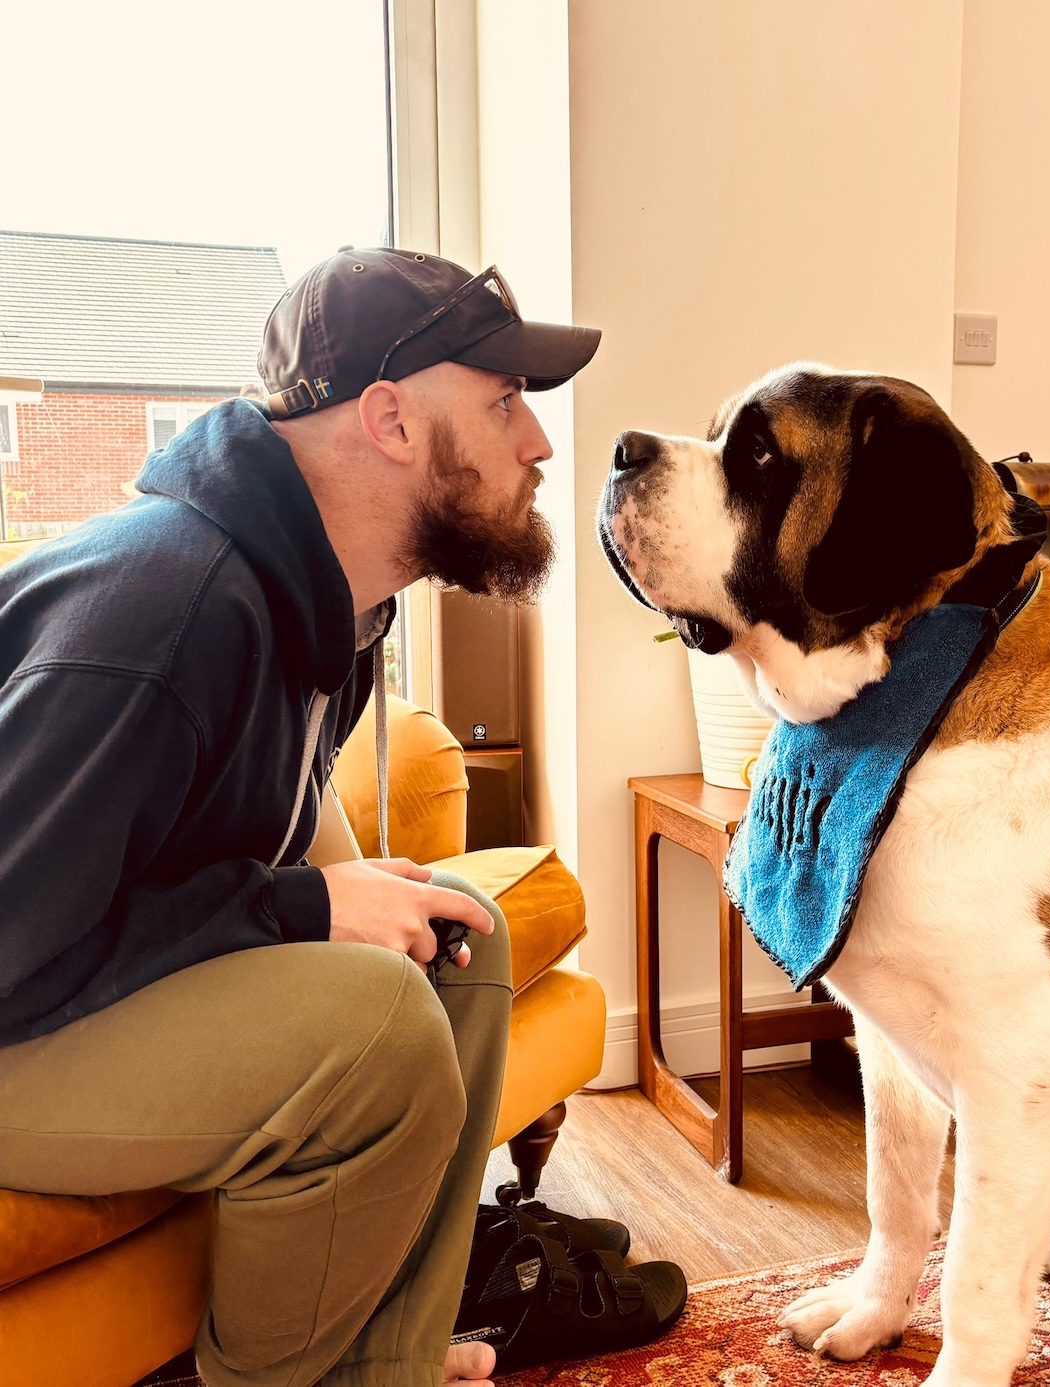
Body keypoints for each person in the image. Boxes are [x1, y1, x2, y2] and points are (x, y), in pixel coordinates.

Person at [0, 248, 600, 1387]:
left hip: (73, 985)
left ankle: (391, 1362)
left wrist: (361, 899)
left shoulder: (326, 607)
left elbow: (279, 827)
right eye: (505, 402)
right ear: (389, 419)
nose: (538, 444)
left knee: (454, 935)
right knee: (372, 1023)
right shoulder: (166, 610)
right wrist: (304, 907)